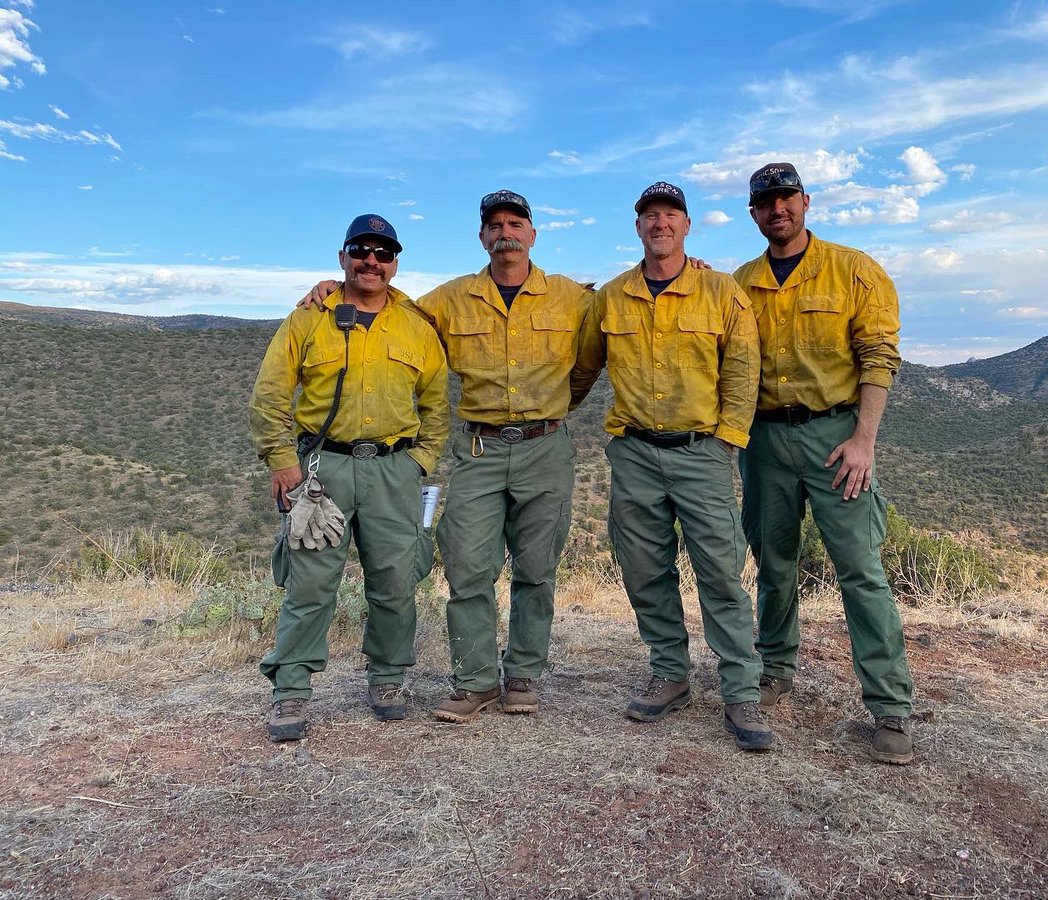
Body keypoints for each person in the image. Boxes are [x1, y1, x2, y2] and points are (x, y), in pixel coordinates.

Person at [302, 191, 589, 723]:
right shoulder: (450, 299)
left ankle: (523, 673)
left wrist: (693, 268)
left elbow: (603, 341)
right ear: (481, 237)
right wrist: (334, 287)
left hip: (546, 447)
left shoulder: (573, 297)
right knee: (467, 565)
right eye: (494, 225)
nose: (505, 232)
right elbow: (388, 307)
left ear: (533, 234)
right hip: (479, 449)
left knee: (536, 568)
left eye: (515, 223)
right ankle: (475, 680)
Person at [571, 182, 774, 752]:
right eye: (650, 215)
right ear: (638, 226)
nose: (660, 223)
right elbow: (584, 368)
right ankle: (670, 673)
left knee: (720, 572)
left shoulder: (721, 291)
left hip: (701, 451)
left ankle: (741, 690)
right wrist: (549, 415)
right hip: (633, 452)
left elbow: (743, 369)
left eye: (671, 215)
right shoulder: (611, 297)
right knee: (643, 568)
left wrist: (727, 443)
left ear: (687, 225)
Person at [732, 162, 916, 764]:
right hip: (764, 440)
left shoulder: (853, 270)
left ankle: (889, 706)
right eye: (766, 202)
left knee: (860, 568)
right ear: (754, 213)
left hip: (838, 437)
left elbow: (879, 355)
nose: (777, 209)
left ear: (806, 201)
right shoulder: (740, 283)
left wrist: (865, 439)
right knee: (773, 562)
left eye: (786, 197)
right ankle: (774, 668)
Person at [250, 214, 449, 742]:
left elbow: (436, 403)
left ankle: (388, 680)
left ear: (395, 263)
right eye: (361, 250)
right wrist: (282, 460)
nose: (371, 261)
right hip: (323, 468)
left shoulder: (415, 326)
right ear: (343, 257)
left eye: (383, 253)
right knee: (310, 583)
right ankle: (291, 688)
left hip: (393, 470)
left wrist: (420, 461)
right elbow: (271, 393)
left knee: (396, 581)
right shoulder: (308, 318)